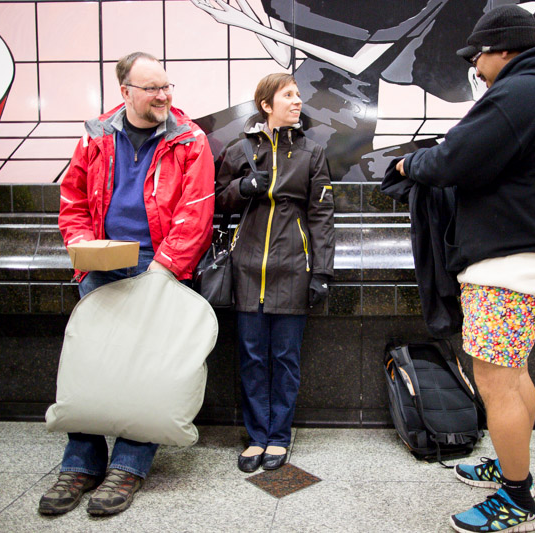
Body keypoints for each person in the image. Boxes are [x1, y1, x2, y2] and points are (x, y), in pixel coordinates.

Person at [395, 6, 535, 532]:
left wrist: (411, 163)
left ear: (503, 48)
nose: (475, 67)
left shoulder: (519, 93)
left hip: (509, 267)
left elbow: (454, 158)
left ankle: (518, 500)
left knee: (496, 381)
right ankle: (509, 462)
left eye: (477, 56)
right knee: (515, 372)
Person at [40, 51, 215, 517]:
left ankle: (128, 467)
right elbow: (72, 197)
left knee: (146, 371)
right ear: (126, 93)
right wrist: (81, 244)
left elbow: (196, 212)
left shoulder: (190, 139)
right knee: (90, 365)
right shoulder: (96, 134)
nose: (164, 95)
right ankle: (80, 464)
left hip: (157, 269)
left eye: (166, 86)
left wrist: (162, 270)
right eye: (152, 88)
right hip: (101, 266)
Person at [215, 73, 335, 473]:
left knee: (284, 358)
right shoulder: (240, 149)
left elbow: (322, 217)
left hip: (292, 270)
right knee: (251, 357)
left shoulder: (311, 153)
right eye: (288, 95)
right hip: (246, 269)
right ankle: (257, 436)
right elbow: (215, 202)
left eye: (299, 95)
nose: (298, 101)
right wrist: (244, 186)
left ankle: (279, 436)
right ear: (266, 104)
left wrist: (321, 272)